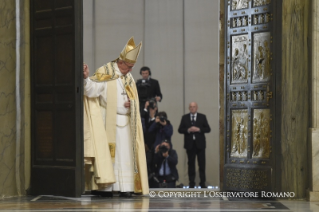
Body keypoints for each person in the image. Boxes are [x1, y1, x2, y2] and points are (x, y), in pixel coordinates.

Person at [83, 37, 148, 197]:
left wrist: (131, 104)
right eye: (130, 66)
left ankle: (126, 187)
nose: (132, 70)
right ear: (121, 62)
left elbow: (134, 99)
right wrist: (85, 78)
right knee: (110, 157)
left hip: (127, 124)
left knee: (126, 155)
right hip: (108, 124)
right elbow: (91, 90)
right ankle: (106, 188)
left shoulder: (129, 78)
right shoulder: (106, 72)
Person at [178, 102, 211, 188]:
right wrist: (188, 130)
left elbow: (208, 129)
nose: (192, 108)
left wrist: (199, 129)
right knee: (191, 164)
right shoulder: (184, 118)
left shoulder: (202, 117)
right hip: (190, 145)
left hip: (200, 145)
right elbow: (180, 129)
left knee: (202, 164)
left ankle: (202, 183)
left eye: (194, 107)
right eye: (191, 107)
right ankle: (191, 183)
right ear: (189, 108)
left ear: (197, 108)